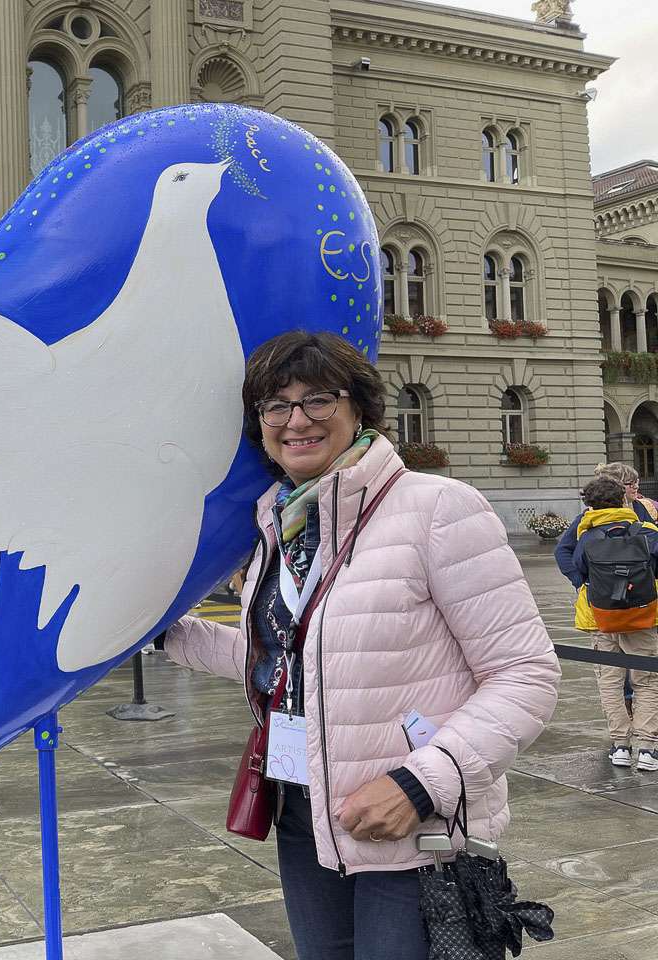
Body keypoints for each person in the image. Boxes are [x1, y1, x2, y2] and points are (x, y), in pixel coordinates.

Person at [157, 331, 559, 960]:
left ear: (359, 409)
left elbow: (525, 674)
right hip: (303, 809)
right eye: (276, 405)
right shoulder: (279, 527)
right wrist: (164, 631)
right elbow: (294, 663)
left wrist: (421, 784)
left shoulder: (436, 510)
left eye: (318, 399)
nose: (297, 421)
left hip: (409, 822)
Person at [571, 476, 658, 770]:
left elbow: (579, 571)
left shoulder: (587, 537)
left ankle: (620, 745)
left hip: (602, 618)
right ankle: (648, 749)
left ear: (589, 505)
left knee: (609, 681)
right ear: (624, 500)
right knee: (646, 681)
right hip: (641, 617)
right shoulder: (644, 530)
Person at [554, 462, 654, 714]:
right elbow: (564, 551)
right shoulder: (588, 519)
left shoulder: (642, 509)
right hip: (605, 600)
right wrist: (581, 581)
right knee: (614, 666)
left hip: (642, 597)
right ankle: (629, 710)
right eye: (632, 484)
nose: (637, 488)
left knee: (643, 664)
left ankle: (641, 717)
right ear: (619, 488)